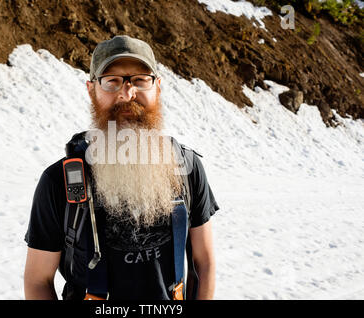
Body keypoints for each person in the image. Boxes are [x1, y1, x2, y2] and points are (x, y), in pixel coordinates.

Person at [23, 35, 219, 300]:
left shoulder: (186, 167)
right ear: (91, 90)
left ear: (157, 87)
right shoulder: (60, 181)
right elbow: (38, 280)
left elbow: (203, 264)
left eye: (139, 80)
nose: (127, 95)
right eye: (112, 82)